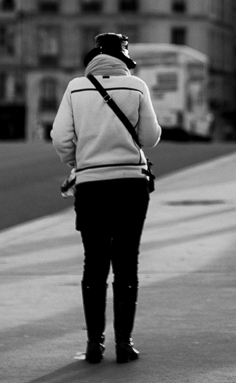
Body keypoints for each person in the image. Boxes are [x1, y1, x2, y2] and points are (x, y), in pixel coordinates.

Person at [52, 32, 161, 364]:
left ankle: (93, 344)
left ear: (94, 59)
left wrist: (80, 161)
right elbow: (150, 137)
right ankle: (124, 344)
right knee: (126, 261)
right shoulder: (137, 86)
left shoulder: (75, 88)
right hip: (130, 183)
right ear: (124, 61)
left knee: (95, 262)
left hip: (91, 186)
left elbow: (60, 137)